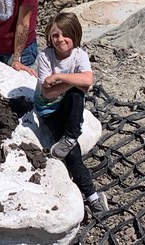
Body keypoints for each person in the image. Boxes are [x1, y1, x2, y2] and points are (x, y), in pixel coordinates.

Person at [33, 12, 108, 214]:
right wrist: (74, 81)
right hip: (49, 109)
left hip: (68, 105)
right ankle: (92, 196)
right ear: (49, 37)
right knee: (73, 153)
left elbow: (88, 80)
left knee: (76, 94)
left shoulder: (79, 55)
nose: (60, 40)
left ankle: (71, 136)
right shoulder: (45, 57)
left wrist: (59, 77)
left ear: (75, 35)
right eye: (55, 35)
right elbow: (47, 93)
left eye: (65, 34)